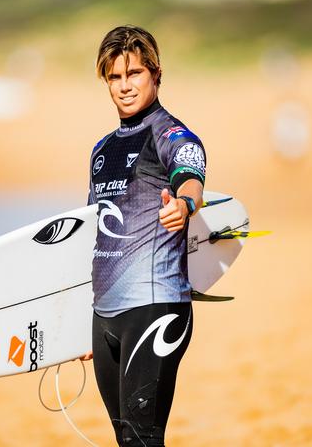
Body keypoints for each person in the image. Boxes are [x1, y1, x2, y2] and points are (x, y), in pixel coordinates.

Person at [84, 25, 206, 446]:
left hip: (155, 306)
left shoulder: (171, 134)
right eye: (115, 77)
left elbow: (190, 178)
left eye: (134, 73)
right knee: (127, 439)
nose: (125, 86)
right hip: (105, 315)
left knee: (142, 437)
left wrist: (184, 206)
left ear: (155, 74)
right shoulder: (102, 151)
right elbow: (95, 235)